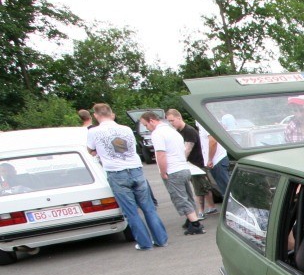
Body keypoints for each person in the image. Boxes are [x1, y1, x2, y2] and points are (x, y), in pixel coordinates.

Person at [86, 103, 167, 250]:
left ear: (96, 115)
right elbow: (130, 147)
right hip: (135, 169)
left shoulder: (94, 132)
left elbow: (90, 149)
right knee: (148, 208)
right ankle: (161, 239)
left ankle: (144, 243)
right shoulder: (126, 129)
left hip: (116, 172)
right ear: (112, 114)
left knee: (131, 211)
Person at [140, 111, 204, 236]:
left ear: (151, 121)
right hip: (184, 168)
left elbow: (160, 154)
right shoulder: (173, 131)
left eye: (146, 125)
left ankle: (195, 224)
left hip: (173, 170)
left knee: (179, 198)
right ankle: (191, 219)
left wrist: (163, 171)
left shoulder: (158, 134)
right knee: (187, 195)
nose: (147, 128)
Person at [166, 108, 213, 223]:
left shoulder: (189, 131)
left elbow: (187, 149)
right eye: (169, 121)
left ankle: (200, 211)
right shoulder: (179, 132)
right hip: (191, 164)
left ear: (179, 118)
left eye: (172, 120)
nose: (171, 123)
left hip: (196, 164)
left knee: (199, 189)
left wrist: (179, 162)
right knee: (203, 187)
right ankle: (211, 207)